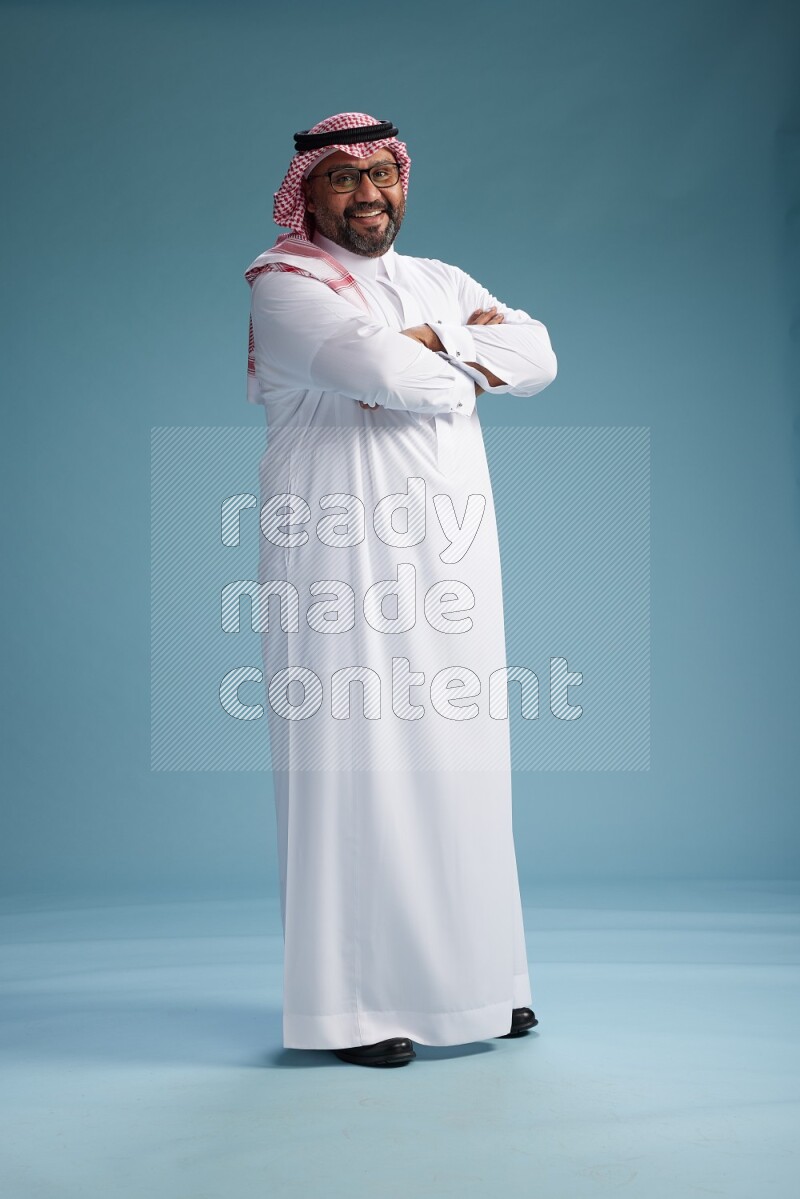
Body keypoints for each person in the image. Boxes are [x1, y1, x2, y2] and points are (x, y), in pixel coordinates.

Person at [244, 112, 557, 1068]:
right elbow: (385, 373)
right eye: (342, 178)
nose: (368, 193)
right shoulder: (283, 280)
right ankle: (356, 1007)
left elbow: (538, 356)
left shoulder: (441, 278)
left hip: (453, 560)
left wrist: (428, 342)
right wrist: (458, 353)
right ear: (311, 191)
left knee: (465, 763)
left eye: (382, 173)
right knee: (360, 772)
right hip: (338, 560)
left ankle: (486, 987)